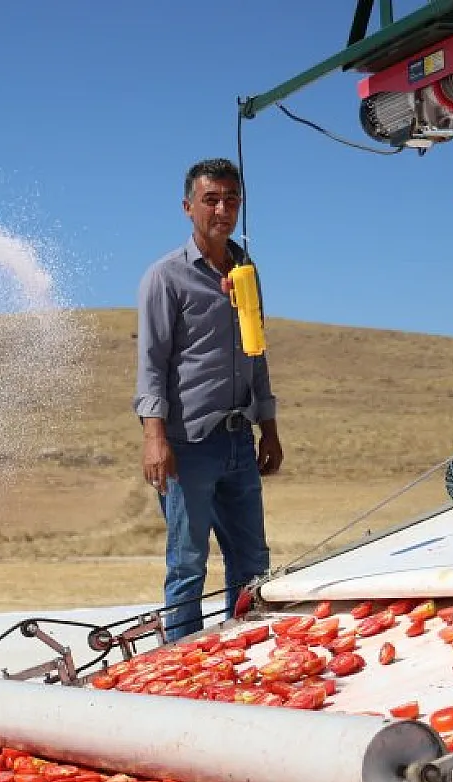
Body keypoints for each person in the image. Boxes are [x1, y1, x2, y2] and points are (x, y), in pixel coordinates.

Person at [135, 158, 282, 642]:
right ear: (188, 207)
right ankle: (182, 665)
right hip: (188, 443)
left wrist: (270, 426)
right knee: (188, 566)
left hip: (239, 441)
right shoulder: (166, 277)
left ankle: (245, 655)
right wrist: (154, 438)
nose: (222, 209)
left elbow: (256, 351)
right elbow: (152, 363)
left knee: (252, 563)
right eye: (211, 199)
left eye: (231, 200)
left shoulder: (247, 271)